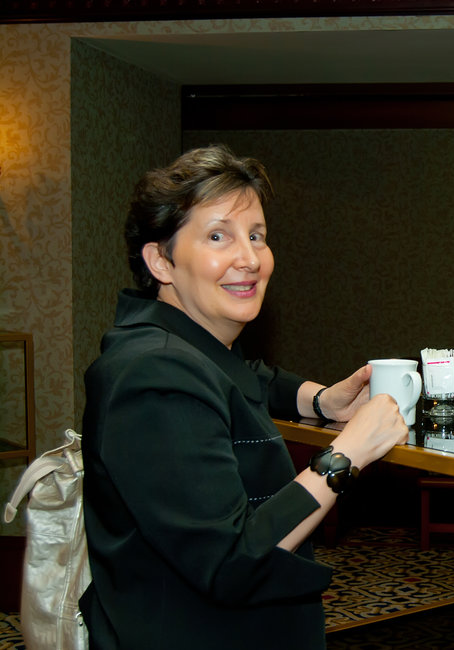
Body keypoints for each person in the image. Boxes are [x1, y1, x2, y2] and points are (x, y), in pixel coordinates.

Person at [80, 145, 409, 650]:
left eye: (256, 236)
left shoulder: (182, 344)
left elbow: (252, 376)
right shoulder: (152, 376)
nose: (250, 259)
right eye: (219, 236)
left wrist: (324, 400)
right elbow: (230, 562)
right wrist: (347, 454)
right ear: (161, 260)